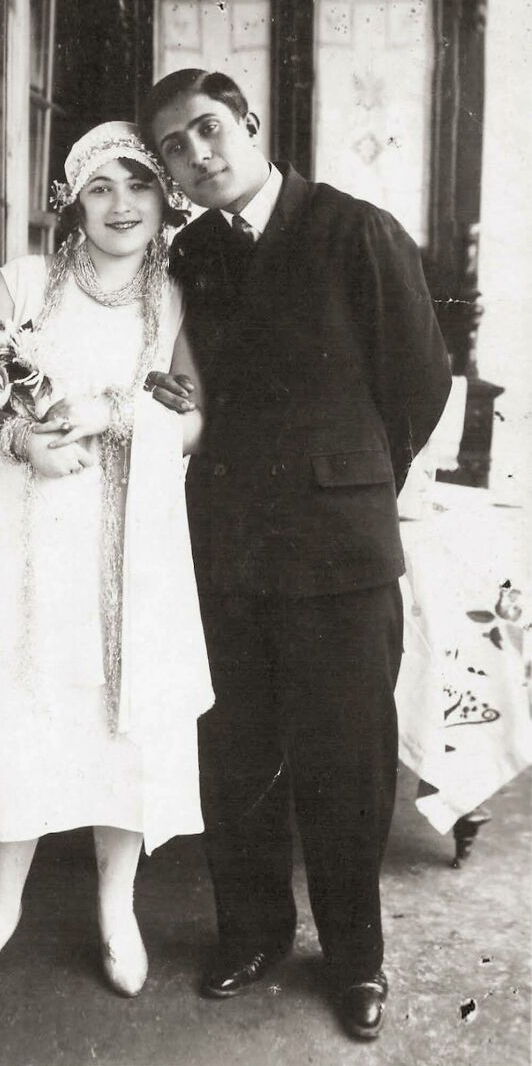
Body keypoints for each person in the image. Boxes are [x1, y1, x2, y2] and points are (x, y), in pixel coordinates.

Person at [142, 69, 452, 1039]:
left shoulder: (353, 228)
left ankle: (355, 958)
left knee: (346, 761)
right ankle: (252, 932)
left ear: (250, 122)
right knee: (234, 751)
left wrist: (348, 473)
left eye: (207, 130)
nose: (197, 156)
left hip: (338, 551)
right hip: (225, 543)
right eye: (175, 149)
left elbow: (421, 379)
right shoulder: (185, 254)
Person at [0, 121, 214, 998]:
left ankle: (116, 908)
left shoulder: (176, 298)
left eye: (140, 187)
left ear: (166, 201)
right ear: (72, 201)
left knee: (118, 724)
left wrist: (116, 412)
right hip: (28, 539)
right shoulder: (22, 284)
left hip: (132, 548)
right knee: (20, 716)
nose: (121, 206)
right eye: (100, 187)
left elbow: (193, 418)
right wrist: (17, 439)